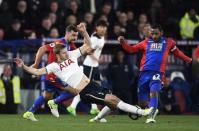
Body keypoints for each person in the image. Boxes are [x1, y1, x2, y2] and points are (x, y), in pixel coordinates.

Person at [14, 23, 152, 122]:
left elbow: (87, 46)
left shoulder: (71, 54)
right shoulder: (54, 66)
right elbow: (37, 71)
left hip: (90, 84)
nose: (66, 53)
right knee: (112, 100)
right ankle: (142, 112)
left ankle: (97, 118)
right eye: (63, 52)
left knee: (111, 99)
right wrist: (24, 66)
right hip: (85, 91)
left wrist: (84, 31)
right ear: (58, 54)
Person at [118, 24, 192, 123]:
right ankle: (152, 108)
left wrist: (189, 60)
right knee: (142, 103)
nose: (154, 36)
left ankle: (151, 117)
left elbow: (177, 53)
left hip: (158, 72)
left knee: (154, 91)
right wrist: (123, 42)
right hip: (143, 73)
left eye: (156, 33)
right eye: (152, 33)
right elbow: (131, 49)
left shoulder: (169, 42)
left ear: (161, 33)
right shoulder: (145, 42)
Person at [22, 25, 77, 121]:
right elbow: (42, 49)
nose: (75, 38)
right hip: (53, 76)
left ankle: (29, 112)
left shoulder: (70, 44)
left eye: (76, 36)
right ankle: (54, 102)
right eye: (73, 35)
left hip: (50, 76)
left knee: (47, 95)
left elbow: (77, 53)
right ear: (67, 33)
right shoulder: (59, 43)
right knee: (75, 91)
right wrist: (35, 64)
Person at [66, 20, 108, 116]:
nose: (103, 29)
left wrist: (97, 60)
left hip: (95, 66)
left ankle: (94, 108)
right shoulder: (94, 38)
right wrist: (97, 59)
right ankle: (72, 107)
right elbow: (88, 51)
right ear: (96, 28)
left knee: (96, 87)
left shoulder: (101, 37)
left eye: (104, 28)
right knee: (84, 87)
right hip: (89, 66)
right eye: (101, 27)